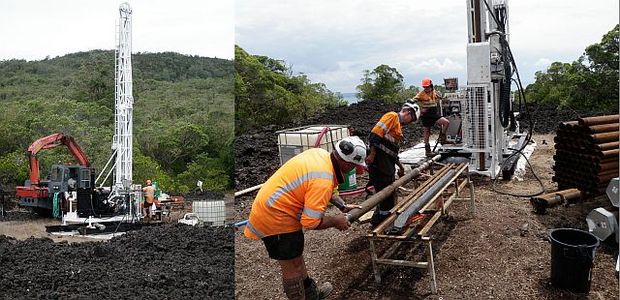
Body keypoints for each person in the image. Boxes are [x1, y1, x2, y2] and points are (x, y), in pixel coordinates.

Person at [244, 136, 367, 300]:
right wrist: (336, 221)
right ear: (347, 163)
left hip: (277, 209)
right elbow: (310, 222)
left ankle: (311, 296)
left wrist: (342, 206)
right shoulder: (322, 179)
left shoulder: (321, 155)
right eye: (355, 166)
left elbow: (322, 186)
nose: (356, 171)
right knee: (291, 266)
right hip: (275, 217)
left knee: (297, 259)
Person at [366, 102, 420, 227]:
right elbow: (375, 134)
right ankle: (380, 222)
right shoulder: (392, 116)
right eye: (411, 120)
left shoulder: (397, 127)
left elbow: (391, 152)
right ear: (408, 112)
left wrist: (400, 167)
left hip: (386, 163)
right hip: (378, 162)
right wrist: (372, 154)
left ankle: (382, 219)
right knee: (384, 192)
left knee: (388, 191)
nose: (409, 123)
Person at [414, 78, 450, 156]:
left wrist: (445, 98)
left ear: (431, 86)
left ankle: (442, 138)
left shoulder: (434, 92)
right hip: (426, 115)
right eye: (425, 87)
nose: (426, 89)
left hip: (434, 114)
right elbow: (414, 99)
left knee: (446, 122)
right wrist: (413, 103)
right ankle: (428, 150)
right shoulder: (421, 94)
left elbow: (441, 98)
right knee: (427, 132)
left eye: (427, 87)